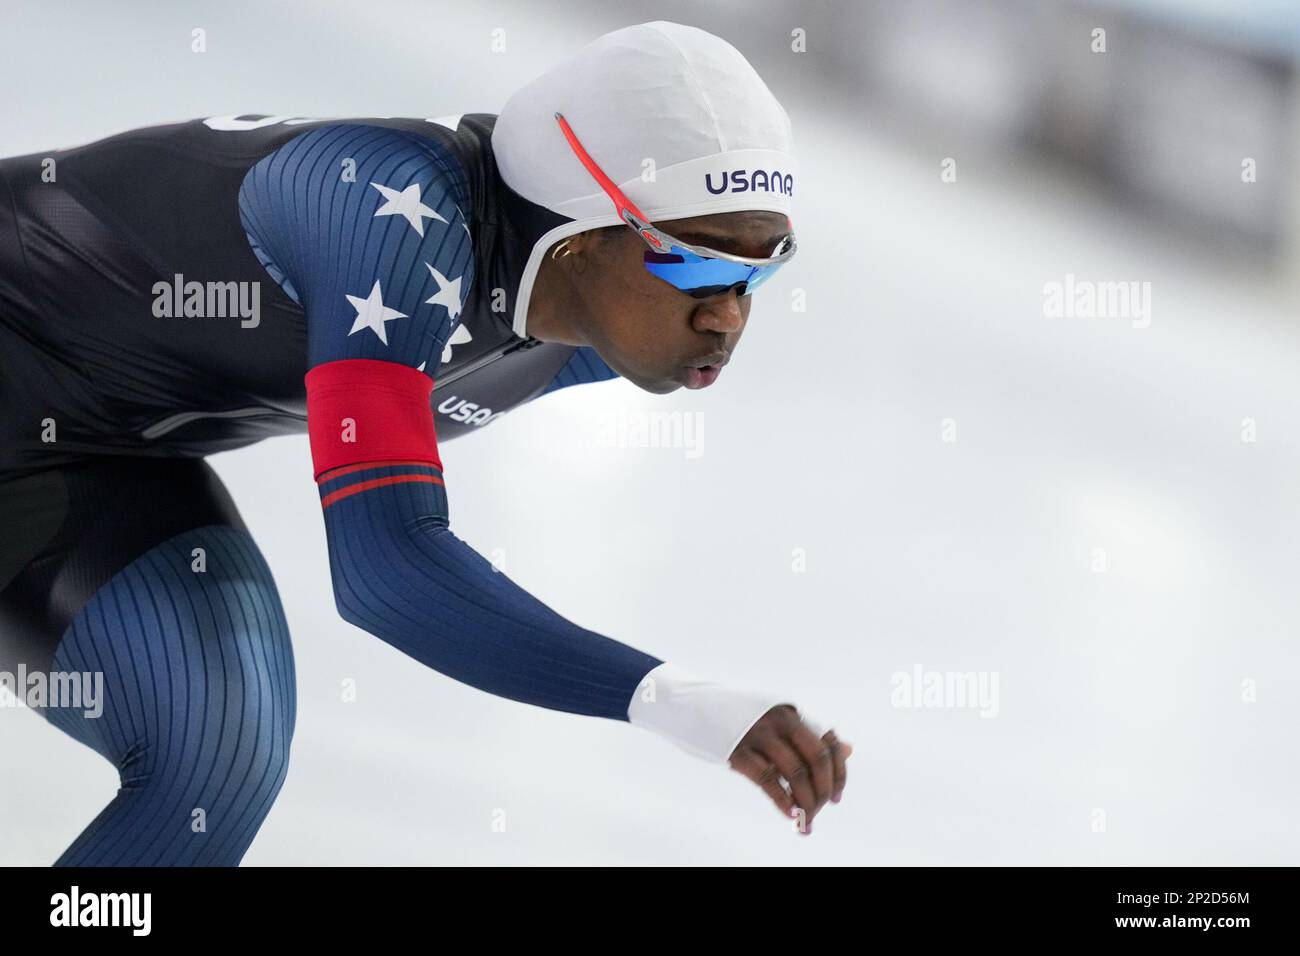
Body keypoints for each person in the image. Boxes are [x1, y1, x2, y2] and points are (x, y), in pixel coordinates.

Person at [0, 20, 850, 866]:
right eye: (698, 265)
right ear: (585, 231)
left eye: (760, 269)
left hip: (88, 452)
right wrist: (666, 697)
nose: (729, 315)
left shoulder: (598, 327)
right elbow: (386, 571)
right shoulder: (389, 212)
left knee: (213, 755)